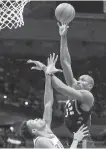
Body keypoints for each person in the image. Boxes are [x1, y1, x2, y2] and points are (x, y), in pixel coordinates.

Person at [21, 54, 89, 148]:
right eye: (34, 121)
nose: (36, 118)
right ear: (34, 131)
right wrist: (76, 139)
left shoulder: (46, 129)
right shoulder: (41, 141)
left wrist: (48, 74)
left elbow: (48, 102)